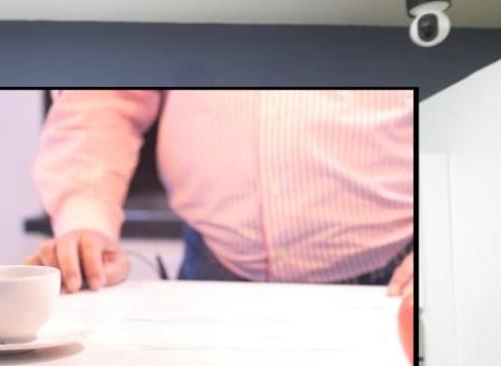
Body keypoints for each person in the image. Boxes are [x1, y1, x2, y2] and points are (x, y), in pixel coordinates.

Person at [25, 89, 414, 296]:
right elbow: (104, 96)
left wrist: (445, 247)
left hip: (393, 278)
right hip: (211, 267)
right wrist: (86, 220)